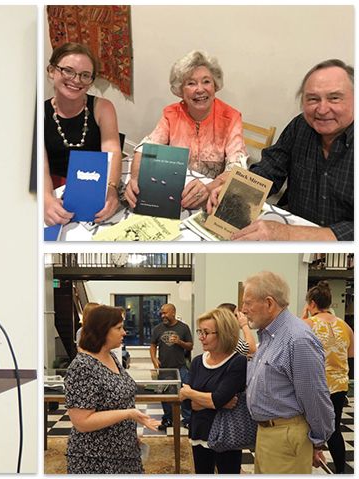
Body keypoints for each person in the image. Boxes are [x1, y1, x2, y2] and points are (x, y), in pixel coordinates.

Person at [208, 59, 354, 241]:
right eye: (313, 99)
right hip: (291, 231)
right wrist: (236, 191)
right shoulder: (300, 126)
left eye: (334, 98)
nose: (322, 109)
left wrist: (290, 234)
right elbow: (270, 169)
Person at [125, 50, 248, 211]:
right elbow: (145, 149)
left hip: (212, 196)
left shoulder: (231, 117)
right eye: (191, 83)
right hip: (175, 193)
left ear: (215, 85)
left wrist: (210, 188)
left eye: (206, 81)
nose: (200, 89)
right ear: (181, 91)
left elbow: (237, 168)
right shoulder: (171, 114)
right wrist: (135, 178)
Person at [241, 271, 334, 474]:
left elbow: (315, 396)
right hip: (267, 434)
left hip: (286, 437)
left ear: (269, 303)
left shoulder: (297, 339)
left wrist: (317, 441)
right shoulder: (270, 335)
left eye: (247, 303)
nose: (243, 310)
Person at [64, 305, 160, 473]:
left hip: (124, 451)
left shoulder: (112, 357)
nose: (124, 332)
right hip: (95, 458)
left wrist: (129, 433)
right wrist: (128, 414)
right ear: (102, 330)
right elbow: (82, 422)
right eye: (118, 328)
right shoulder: (82, 366)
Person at [44, 42, 123, 226]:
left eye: (85, 75)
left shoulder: (103, 108)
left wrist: (111, 189)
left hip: (95, 185)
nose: (76, 80)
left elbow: (112, 151)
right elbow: (41, 165)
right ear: (52, 71)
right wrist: (47, 199)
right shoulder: (39, 113)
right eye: (68, 71)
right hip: (56, 186)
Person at [179, 308, 247, 474]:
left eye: (206, 333)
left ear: (224, 334)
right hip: (199, 431)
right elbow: (186, 404)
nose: (201, 337)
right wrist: (217, 402)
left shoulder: (237, 362)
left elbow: (215, 399)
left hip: (226, 435)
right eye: (200, 332)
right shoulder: (197, 362)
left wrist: (190, 393)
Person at [301, 281, 354, 474]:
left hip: (317, 386)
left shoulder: (307, 324)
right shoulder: (345, 326)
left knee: (308, 429)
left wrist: (303, 316)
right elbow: (350, 354)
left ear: (312, 303)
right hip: (339, 386)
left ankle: (305, 468)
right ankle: (340, 471)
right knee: (334, 430)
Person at [150, 303, 193, 429]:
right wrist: (154, 359)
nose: (162, 316)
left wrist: (179, 342)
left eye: (165, 313)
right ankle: (168, 419)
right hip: (164, 369)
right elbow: (153, 345)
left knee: (185, 394)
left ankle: (187, 419)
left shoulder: (183, 328)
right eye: (161, 313)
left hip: (180, 367)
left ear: (173, 312)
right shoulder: (157, 329)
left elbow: (190, 346)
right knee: (165, 395)